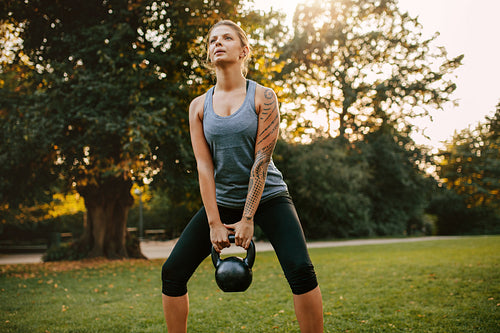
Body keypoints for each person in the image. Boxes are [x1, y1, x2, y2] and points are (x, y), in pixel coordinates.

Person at [161, 19, 324, 333]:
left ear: (243, 50)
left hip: (269, 196)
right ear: (209, 54)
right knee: (173, 272)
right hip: (222, 201)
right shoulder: (198, 106)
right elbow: (204, 167)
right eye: (212, 40)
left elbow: (261, 162)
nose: (217, 43)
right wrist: (213, 223)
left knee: (301, 271)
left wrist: (248, 218)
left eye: (226, 38)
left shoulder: (264, 97)